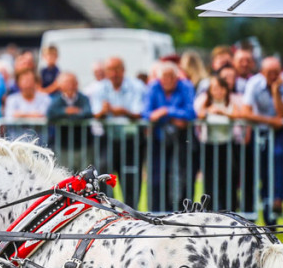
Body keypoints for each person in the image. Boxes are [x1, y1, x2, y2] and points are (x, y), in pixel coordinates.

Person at [242, 56, 283, 225]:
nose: (273, 76)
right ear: (262, 72)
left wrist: (275, 91)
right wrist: (269, 121)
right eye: (269, 73)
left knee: (278, 157)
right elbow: (245, 112)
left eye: (276, 72)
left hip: (281, 132)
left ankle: (278, 200)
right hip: (260, 131)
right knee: (262, 172)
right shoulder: (253, 83)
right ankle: (264, 215)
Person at [90, 57, 147, 204]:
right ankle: (107, 211)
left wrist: (117, 111)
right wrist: (106, 112)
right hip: (107, 139)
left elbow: (138, 112)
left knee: (131, 180)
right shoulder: (100, 87)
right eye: (110, 70)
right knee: (103, 176)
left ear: (123, 70)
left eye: (117, 69)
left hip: (131, 140)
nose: (114, 73)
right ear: (106, 72)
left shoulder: (136, 86)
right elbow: (95, 113)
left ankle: (131, 214)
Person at [143, 62, 196, 211]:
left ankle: (181, 212)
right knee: (157, 177)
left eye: (171, 77)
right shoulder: (153, 87)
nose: (168, 80)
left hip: (181, 139)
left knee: (181, 177)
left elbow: (190, 113)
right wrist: (171, 117)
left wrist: (166, 111)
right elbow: (147, 113)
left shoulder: (185, 86)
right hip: (158, 139)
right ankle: (156, 213)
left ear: (176, 77)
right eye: (164, 77)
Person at [194, 74, 241, 209]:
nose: (218, 91)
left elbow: (238, 115)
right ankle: (210, 210)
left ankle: (230, 210)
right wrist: (209, 111)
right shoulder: (206, 103)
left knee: (229, 180)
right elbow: (200, 114)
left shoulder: (230, 104)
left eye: (221, 88)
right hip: (209, 145)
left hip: (227, 145)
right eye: (214, 88)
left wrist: (222, 113)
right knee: (210, 181)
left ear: (226, 89)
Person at [47, 72, 93, 172]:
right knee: (65, 176)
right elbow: (50, 114)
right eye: (67, 83)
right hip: (64, 147)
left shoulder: (83, 98)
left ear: (76, 84)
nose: (70, 86)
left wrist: (67, 115)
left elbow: (88, 113)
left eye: (72, 82)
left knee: (84, 177)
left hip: (83, 145)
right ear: (61, 85)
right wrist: (66, 111)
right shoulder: (57, 100)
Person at [2, 68, 49, 142]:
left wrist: (21, 114)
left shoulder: (45, 98)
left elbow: (43, 116)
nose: (28, 83)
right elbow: (10, 117)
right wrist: (34, 115)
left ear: (35, 82)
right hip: (17, 144)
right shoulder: (11, 99)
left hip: (40, 144)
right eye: (24, 80)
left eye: (30, 80)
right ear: (18, 83)